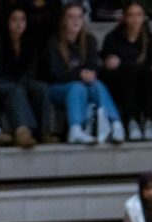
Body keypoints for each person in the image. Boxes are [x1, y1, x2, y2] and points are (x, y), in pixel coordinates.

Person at [46, 1, 124, 144]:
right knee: (77, 86)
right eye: (71, 17)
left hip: (83, 84)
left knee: (97, 84)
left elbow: (94, 65)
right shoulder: (54, 42)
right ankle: (75, 130)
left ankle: (116, 124)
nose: (76, 21)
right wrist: (80, 74)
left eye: (79, 17)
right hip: (58, 87)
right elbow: (55, 73)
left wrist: (90, 73)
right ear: (63, 20)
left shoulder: (90, 40)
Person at [0, 5, 52, 148]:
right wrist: (16, 83)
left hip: (20, 82)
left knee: (41, 88)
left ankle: (44, 132)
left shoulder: (30, 43)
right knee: (15, 90)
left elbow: (31, 72)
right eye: (14, 20)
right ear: (7, 22)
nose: (19, 24)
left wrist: (22, 82)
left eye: (22, 20)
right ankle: (22, 132)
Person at [99, 1, 152, 141]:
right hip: (121, 81)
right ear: (125, 17)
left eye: (138, 15)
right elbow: (107, 63)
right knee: (129, 75)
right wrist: (111, 63)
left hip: (143, 80)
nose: (135, 19)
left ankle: (149, 120)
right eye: (131, 15)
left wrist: (124, 63)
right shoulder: (113, 38)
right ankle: (132, 121)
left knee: (151, 78)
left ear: (143, 17)